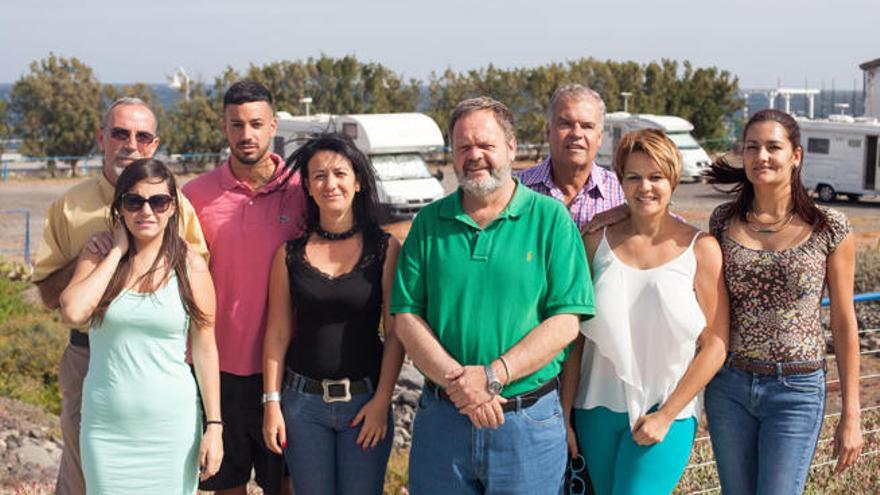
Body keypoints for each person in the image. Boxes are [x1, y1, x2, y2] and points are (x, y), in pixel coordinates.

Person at [391, 96, 594, 494]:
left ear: (512, 147)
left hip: (526, 423)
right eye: (464, 147)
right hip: (444, 420)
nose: (475, 156)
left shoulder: (550, 219)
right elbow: (406, 316)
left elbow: (566, 320)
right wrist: (463, 386)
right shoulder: (429, 223)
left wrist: (492, 376)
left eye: (485, 145)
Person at [31, 97, 208, 495]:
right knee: (81, 481)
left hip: (158, 364)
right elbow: (45, 293)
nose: (131, 144)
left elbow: (200, 287)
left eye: (142, 136)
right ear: (101, 138)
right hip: (88, 360)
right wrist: (91, 262)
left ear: (155, 144)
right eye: (120, 133)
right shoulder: (69, 208)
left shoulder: (176, 206)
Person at [559, 129, 729, 494]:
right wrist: (566, 414)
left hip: (666, 412)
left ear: (674, 180)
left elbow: (715, 345)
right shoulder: (594, 242)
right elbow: (575, 339)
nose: (645, 187)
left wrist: (667, 414)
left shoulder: (702, 250)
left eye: (656, 177)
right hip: (596, 409)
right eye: (633, 177)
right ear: (619, 180)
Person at [703, 109, 863, 494]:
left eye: (773, 147)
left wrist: (851, 414)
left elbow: (844, 322)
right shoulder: (722, 222)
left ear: (796, 156)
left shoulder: (830, 227)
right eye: (752, 147)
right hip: (730, 387)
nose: (761, 157)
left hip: (796, 389)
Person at [57, 159, 222, 494]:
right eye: (134, 201)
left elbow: (205, 349)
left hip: (172, 429)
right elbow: (73, 312)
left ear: (173, 207)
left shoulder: (191, 266)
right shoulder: (99, 257)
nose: (146, 211)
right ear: (120, 208)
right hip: (106, 430)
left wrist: (215, 426)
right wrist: (116, 252)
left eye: (158, 201)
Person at [261, 134, 404, 494]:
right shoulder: (288, 255)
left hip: (365, 405)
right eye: (319, 175)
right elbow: (277, 334)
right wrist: (272, 405)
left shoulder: (385, 249)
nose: (330, 183)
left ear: (357, 182)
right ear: (307, 186)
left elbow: (395, 333)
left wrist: (382, 400)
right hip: (302, 407)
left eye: (340, 173)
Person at [183, 80, 305, 495]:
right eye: (237, 124)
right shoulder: (194, 196)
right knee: (224, 485)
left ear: (273, 125)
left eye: (255, 123)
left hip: (288, 372)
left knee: (285, 486)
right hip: (218, 371)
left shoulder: (303, 190)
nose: (246, 134)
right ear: (224, 127)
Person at [514, 84, 624, 230]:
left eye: (587, 126)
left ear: (599, 138)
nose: (576, 134)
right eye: (566, 124)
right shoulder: (515, 190)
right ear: (548, 133)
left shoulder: (623, 194)